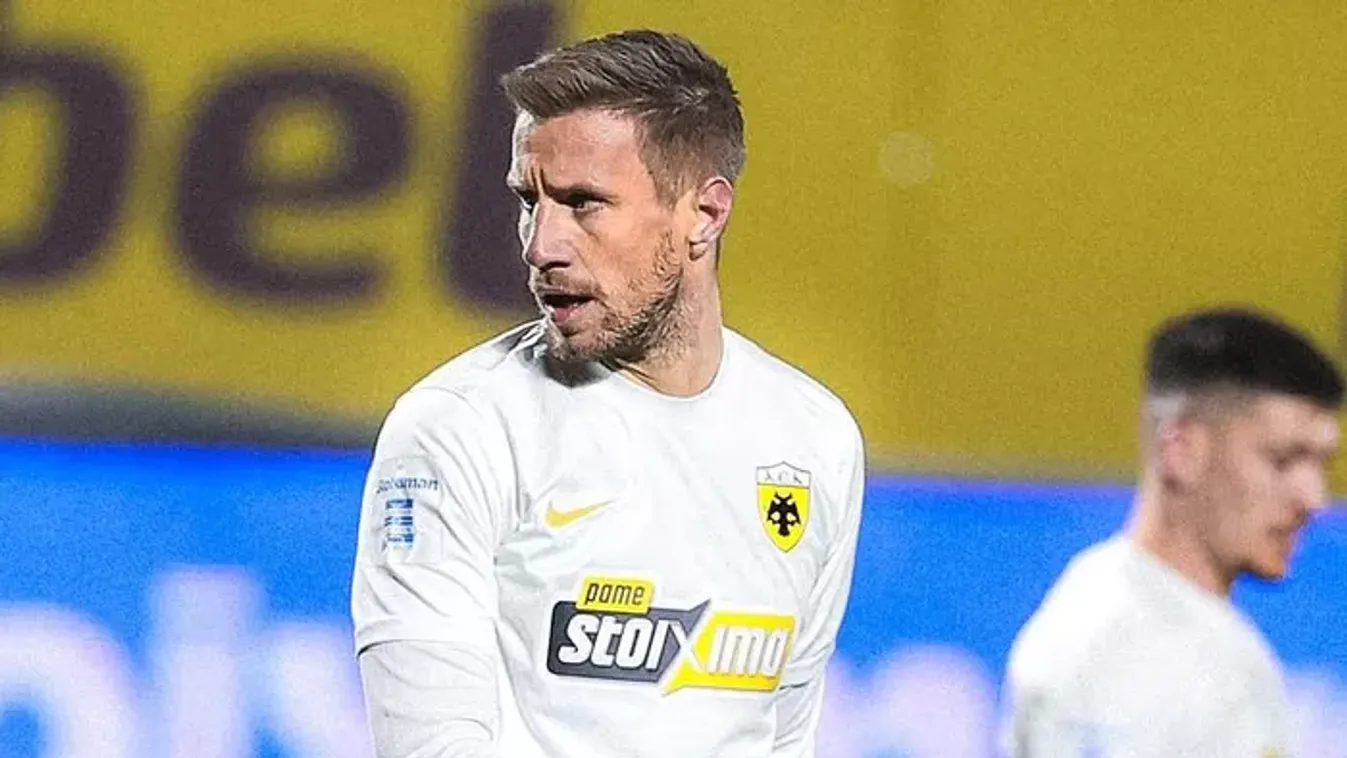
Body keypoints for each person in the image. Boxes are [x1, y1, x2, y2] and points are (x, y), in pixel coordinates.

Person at [350, 29, 865, 758]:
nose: (541, 246)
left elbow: (784, 738)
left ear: (704, 214)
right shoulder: (459, 428)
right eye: (529, 200)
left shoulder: (814, 438)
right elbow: (430, 746)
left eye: (583, 203)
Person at [1000, 306, 1343, 757]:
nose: (1313, 497)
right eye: (1282, 460)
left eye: (1321, 465)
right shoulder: (1114, 649)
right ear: (1181, 450)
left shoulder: (1207, 641)